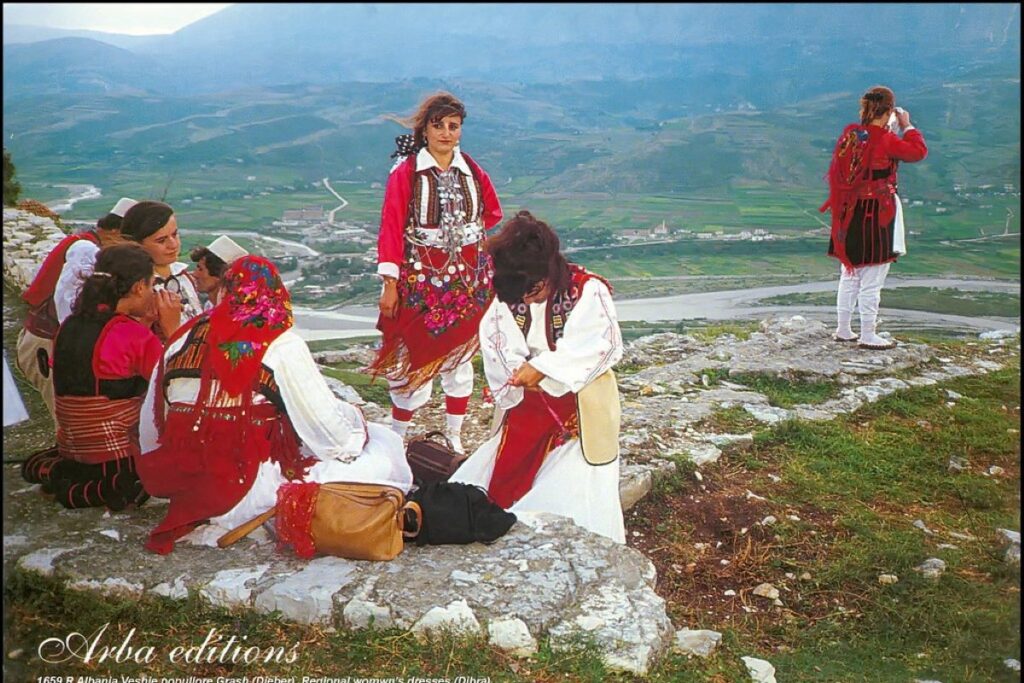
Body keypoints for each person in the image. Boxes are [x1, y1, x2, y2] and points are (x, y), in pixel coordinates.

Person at [136, 255, 412, 555]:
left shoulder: (183, 336)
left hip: (183, 482)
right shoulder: (281, 342)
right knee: (385, 446)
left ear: (225, 291)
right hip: (248, 489)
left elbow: (153, 422)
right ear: (276, 293)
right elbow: (333, 438)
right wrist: (358, 424)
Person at [450, 211, 626, 543]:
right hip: (528, 403)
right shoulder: (510, 294)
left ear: (547, 272)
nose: (528, 301)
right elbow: (497, 337)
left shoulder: (587, 291)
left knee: (576, 478)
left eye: (533, 292)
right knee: (506, 472)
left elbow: (602, 346)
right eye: (523, 297)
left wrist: (546, 369)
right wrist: (517, 370)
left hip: (581, 402)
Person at [366, 92, 503, 453]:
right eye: (437, 125)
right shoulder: (407, 173)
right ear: (423, 130)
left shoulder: (472, 170)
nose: (445, 133)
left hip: (467, 282)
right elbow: (392, 226)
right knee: (411, 357)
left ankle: (454, 434)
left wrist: (463, 245)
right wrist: (391, 283)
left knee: (458, 357)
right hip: (421, 281)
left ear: (461, 131)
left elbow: (491, 212)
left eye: (453, 126)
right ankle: (398, 434)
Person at [20, 244, 180, 510]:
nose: (154, 293)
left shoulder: (72, 323)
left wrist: (147, 326)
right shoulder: (132, 334)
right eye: (152, 286)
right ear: (139, 287)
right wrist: (171, 328)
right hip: (114, 456)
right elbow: (172, 382)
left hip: (74, 449)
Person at [821, 85, 927, 349]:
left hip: (850, 213)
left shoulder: (852, 136)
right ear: (890, 110)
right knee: (873, 277)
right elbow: (917, 152)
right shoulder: (885, 139)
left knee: (850, 273)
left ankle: (843, 329)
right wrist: (908, 127)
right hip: (876, 213)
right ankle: (868, 333)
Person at [16, 197, 137, 419]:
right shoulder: (86, 249)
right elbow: (68, 306)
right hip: (50, 344)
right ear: (111, 231)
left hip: (55, 342)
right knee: (69, 421)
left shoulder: (87, 244)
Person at [120, 200, 204, 337]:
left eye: (175, 234)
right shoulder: (136, 288)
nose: (173, 244)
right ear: (136, 244)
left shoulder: (184, 276)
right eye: (161, 240)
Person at [190, 235, 249, 310]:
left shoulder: (232, 313)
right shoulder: (209, 306)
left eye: (200, 269)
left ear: (220, 275)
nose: (195, 274)